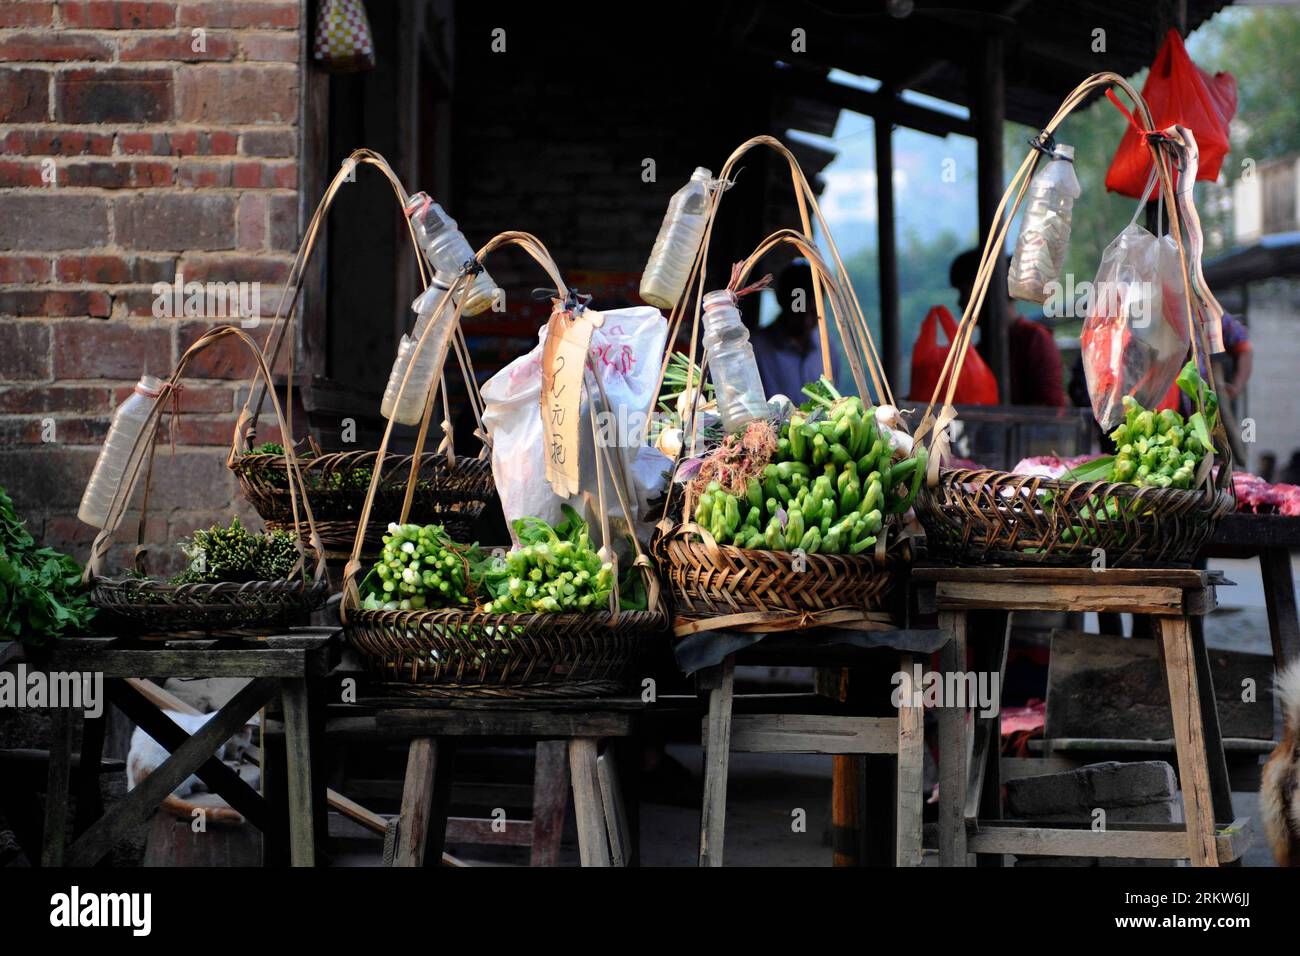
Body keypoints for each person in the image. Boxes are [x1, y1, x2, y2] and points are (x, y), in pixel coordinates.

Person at [947, 249, 1067, 406]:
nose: (960, 302)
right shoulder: (980, 350)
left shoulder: (1035, 340)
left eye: (965, 291)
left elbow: (1050, 411)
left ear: (990, 288)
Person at [751, 260, 840, 401]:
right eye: (798, 311)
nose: (805, 321)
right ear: (781, 300)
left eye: (812, 311)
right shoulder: (755, 349)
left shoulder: (827, 348)